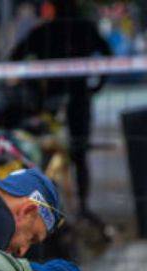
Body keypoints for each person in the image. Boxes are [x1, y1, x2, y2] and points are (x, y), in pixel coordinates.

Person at [10, 0, 111, 228]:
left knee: (62, 154)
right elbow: (108, 55)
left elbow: (16, 56)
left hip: (61, 102)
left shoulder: (49, 30)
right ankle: (75, 207)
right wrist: (98, 84)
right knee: (71, 155)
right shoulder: (77, 28)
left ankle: (63, 207)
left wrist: (33, 83)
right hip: (69, 101)